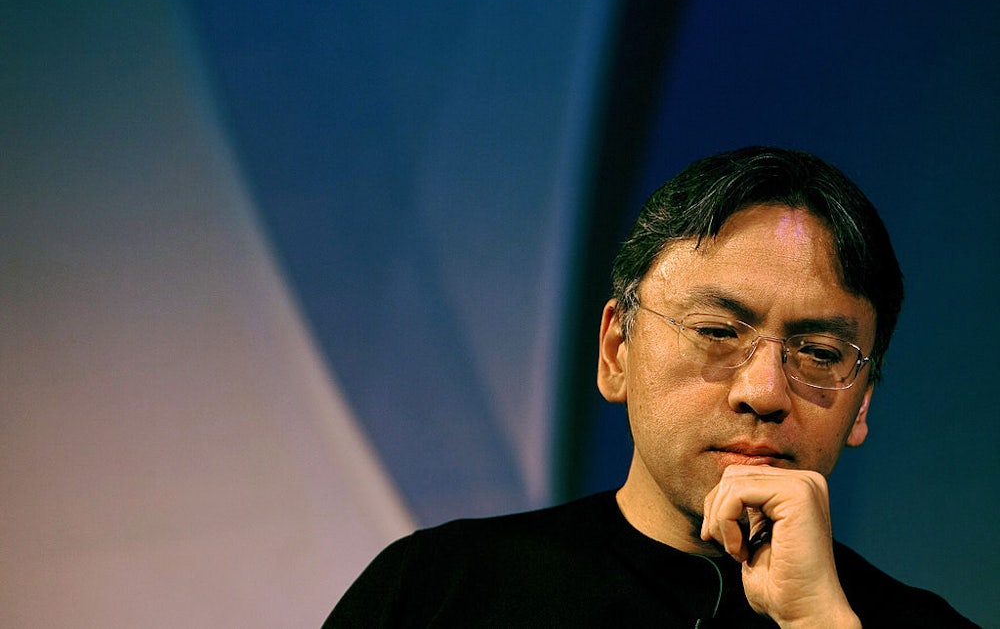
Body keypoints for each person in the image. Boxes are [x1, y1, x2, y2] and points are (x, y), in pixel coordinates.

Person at [325, 147, 976, 627]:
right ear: (617, 351)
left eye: (819, 353)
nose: (764, 392)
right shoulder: (437, 591)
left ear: (862, 403)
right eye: (717, 331)